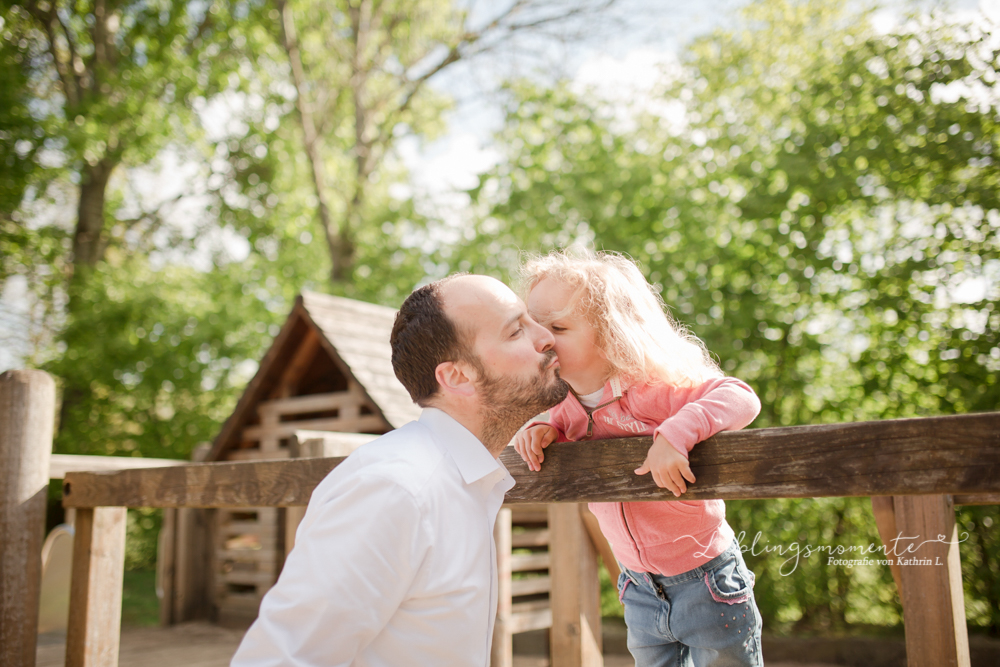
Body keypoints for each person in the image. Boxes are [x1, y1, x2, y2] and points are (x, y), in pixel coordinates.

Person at [231, 274, 569, 666]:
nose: (546, 337)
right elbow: (283, 657)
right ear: (458, 376)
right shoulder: (396, 490)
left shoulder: (465, 481)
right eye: (516, 331)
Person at [512, 250, 763, 667]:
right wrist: (544, 431)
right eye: (536, 327)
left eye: (558, 327)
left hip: (707, 577)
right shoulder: (565, 408)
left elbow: (740, 396)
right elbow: (564, 424)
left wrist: (675, 433)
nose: (544, 339)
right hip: (639, 588)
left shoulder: (649, 391)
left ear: (612, 335)